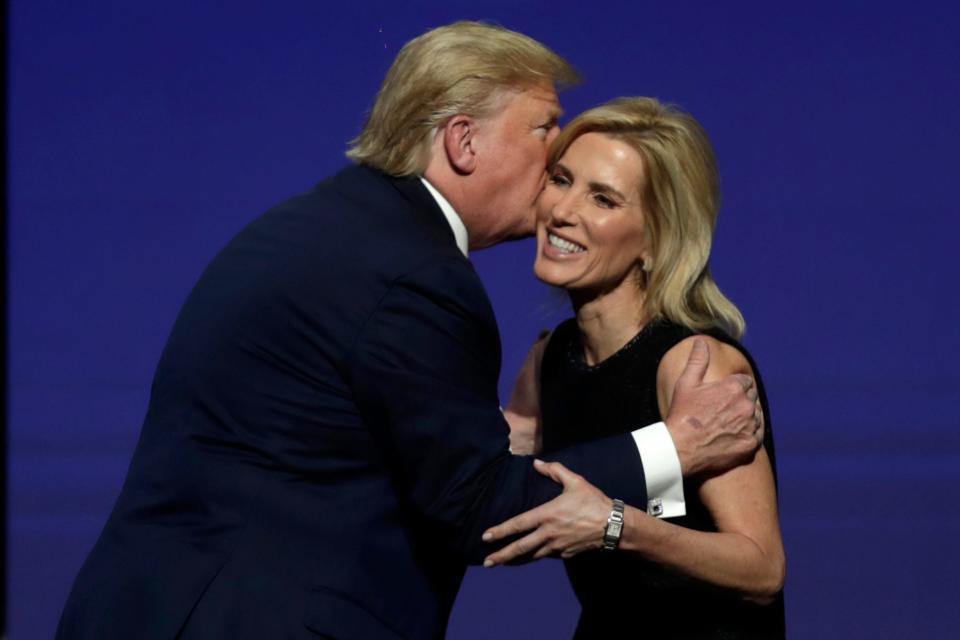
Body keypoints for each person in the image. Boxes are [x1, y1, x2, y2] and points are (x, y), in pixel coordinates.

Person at [56, 25, 763, 640]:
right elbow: (476, 505)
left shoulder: (335, 225)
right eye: (546, 130)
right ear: (463, 141)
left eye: (601, 195)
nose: (555, 168)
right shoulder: (417, 278)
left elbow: (761, 565)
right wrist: (678, 445)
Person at [485, 97, 786, 637]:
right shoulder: (549, 356)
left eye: (602, 198)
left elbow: (761, 567)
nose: (562, 210)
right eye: (561, 179)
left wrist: (616, 527)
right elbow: (495, 492)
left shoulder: (696, 364)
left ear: (656, 240)